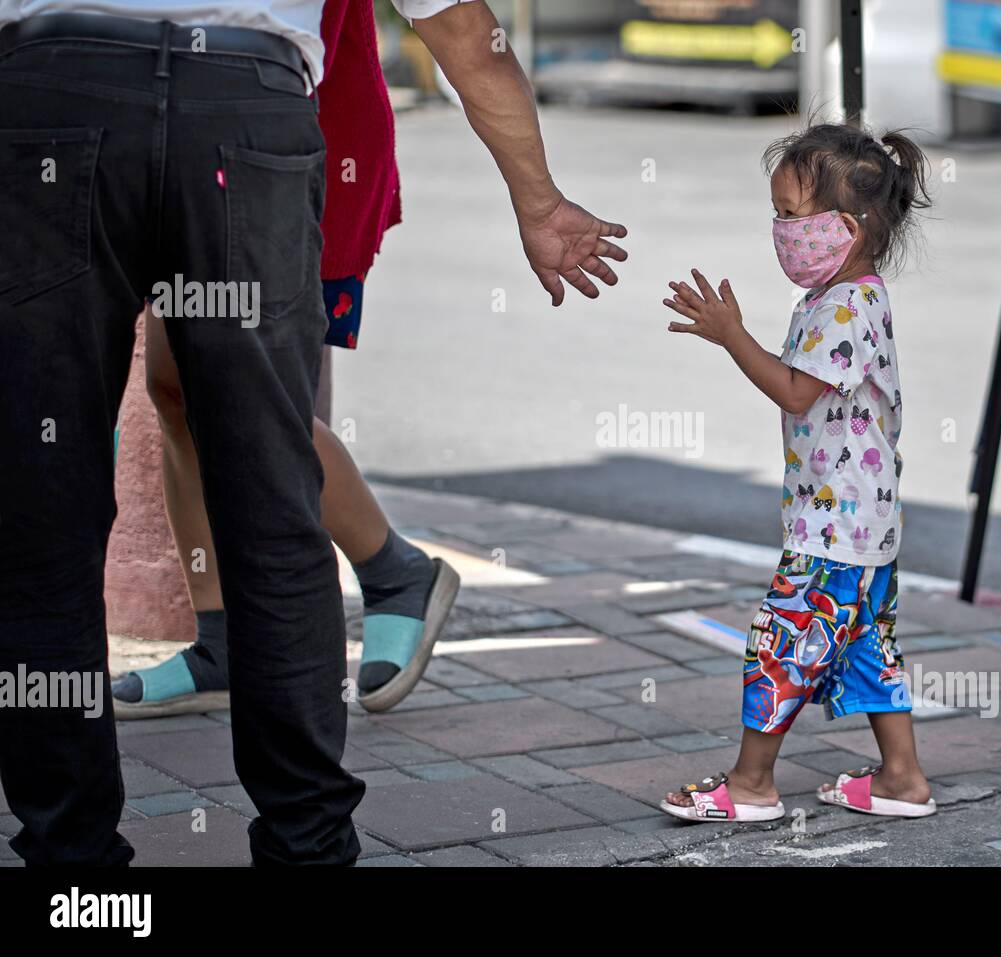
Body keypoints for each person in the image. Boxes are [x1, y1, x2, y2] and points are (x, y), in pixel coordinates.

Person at [0, 0, 626, 866]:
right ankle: (308, 848)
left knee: (41, 519)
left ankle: (73, 871)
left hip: (53, 101)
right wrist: (538, 197)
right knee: (273, 509)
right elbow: (462, 31)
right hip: (245, 110)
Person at [113, 0, 457, 719]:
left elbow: (458, 29)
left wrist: (537, 195)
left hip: (295, 141)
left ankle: (394, 571)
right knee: (173, 386)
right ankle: (221, 642)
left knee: (251, 391)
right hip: (188, 141)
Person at [657, 124, 935, 823]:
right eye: (776, 215)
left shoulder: (845, 305)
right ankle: (902, 778)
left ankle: (752, 784)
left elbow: (796, 391)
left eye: (789, 215)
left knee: (779, 642)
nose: (780, 230)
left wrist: (731, 336)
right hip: (862, 520)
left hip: (835, 524)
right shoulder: (847, 295)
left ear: (845, 226)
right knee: (868, 645)